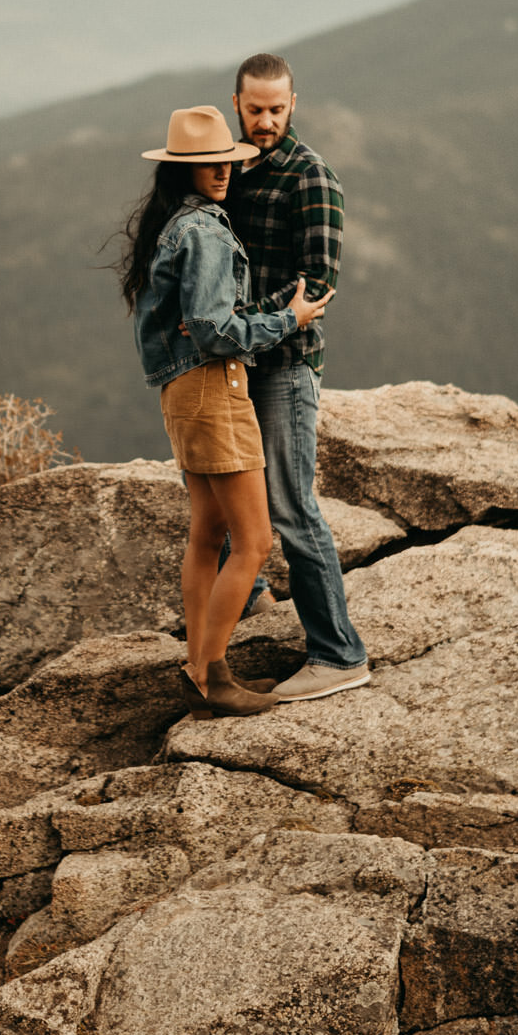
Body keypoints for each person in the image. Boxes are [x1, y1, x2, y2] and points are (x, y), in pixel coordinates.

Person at [118, 103, 332, 717]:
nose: (221, 171)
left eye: (226, 161)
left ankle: (197, 663)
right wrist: (289, 318)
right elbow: (214, 329)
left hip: (181, 393)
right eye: (208, 164)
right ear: (183, 169)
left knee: (208, 533)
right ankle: (212, 675)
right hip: (214, 387)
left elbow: (182, 326)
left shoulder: (173, 225)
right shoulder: (206, 231)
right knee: (255, 542)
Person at [226, 51, 370, 700]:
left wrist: (233, 322)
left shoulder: (312, 178)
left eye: (276, 110)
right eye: (255, 109)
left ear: (293, 104)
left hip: (284, 367)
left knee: (291, 505)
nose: (265, 120)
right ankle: (250, 596)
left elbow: (318, 286)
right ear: (237, 103)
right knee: (232, 489)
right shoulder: (229, 170)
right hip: (236, 365)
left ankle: (339, 654)